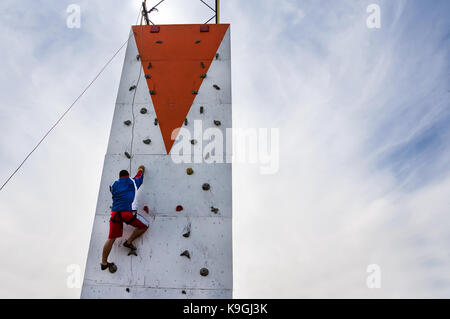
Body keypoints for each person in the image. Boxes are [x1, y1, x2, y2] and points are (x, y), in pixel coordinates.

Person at [101, 165, 149, 273]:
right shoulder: (132, 182)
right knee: (144, 225)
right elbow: (139, 177)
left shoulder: (113, 185)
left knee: (111, 238)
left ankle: (104, 262)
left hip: (115, 214)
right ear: (127, 175)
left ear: (119, 176)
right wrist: (140, 169)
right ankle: (129, 241)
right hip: (127, 212)